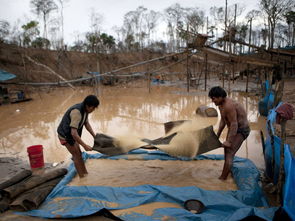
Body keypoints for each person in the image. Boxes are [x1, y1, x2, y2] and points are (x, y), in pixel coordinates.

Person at [208, 86, 250, 180]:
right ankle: (227, 170)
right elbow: (223, 121)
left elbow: (234, 124)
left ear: (220, 97)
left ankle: (222, 179)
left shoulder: (228, 106)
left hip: (241, 130)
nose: (212, 101)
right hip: (233, 129)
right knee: (226, 151)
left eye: (213, 98)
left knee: (229, 152)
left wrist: (229, 141)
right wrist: (217, 135)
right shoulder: (221, 106)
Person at [57, 95, 99, 178]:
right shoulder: (77, 112)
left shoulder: (85, 110)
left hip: (72, 134)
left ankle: (85, 174)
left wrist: (95, 136)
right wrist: (85, 145)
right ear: (87, 105)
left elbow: (86, 124)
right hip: (65, 135)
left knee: (79, 154)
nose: (93, 110)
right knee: (76, 155)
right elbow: (73, 133)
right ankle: (82, 178)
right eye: (93, 108)